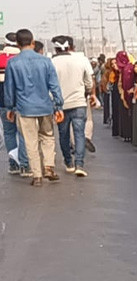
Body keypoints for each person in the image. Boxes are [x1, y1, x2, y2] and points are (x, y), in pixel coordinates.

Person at [3, 29, 64, 186]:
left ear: (17, 44)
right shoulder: (45, 61)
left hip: (24, 108)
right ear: (32, 42)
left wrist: (10, 107)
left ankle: (36, 175)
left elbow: (9, 88)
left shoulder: (13, 63)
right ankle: (49, 166)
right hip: (45, 106)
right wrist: (58, 106)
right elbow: (54, 86)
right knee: (47, 136)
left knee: (30, 141)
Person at [50, 35, 93, 177]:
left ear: (55, 48)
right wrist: (86, 93)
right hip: (79, 102)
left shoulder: (51, 63)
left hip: (60, 105)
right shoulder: (80, 60)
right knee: (79, 134)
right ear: (69, 47)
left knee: (63, 134)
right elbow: (89, 82)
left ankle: (68, 162)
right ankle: (79, 164)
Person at [1, 32, 28, 175]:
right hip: (22, 102)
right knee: (23, 133)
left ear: (5, 44)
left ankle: (13, 165)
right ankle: (24, 165)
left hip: (2, 103)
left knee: (9, 133)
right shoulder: (22, 60)